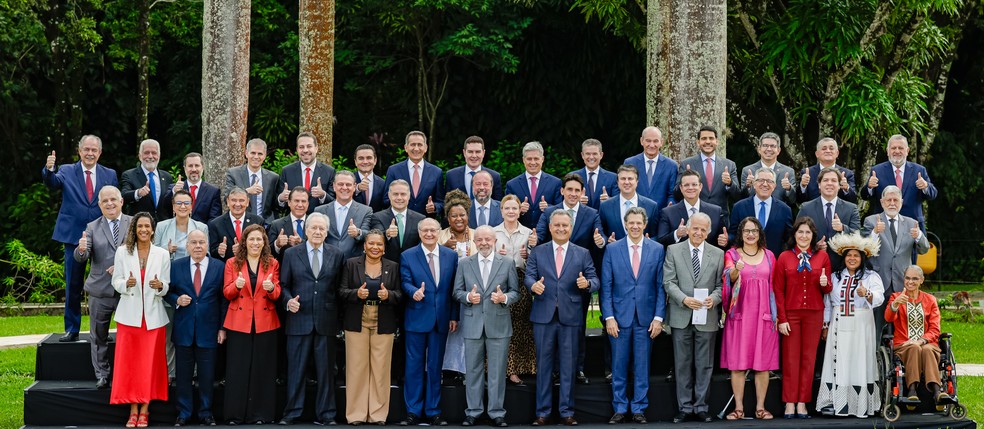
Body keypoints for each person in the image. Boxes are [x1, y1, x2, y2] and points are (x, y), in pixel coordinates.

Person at [525, 210, 599, 426]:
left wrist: (587, 285)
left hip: (571, 316)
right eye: (556, 225)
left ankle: (567, 412)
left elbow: (595, 280)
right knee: (544, 366)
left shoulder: (582, 253)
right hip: (543, 316)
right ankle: (542, 412)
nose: (560, 229)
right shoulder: (538, 252)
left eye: (565, 225)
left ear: (571, 227)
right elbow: (529, 276)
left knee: (568, 366)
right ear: (549, 227)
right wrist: (533, 285)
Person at [43, 135, 119, 342]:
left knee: (107, 284)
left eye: (94, 150)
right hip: (73, 236)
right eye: (86, 149)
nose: (90, 153)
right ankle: (72, 328)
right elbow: (52, 183)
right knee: (73, 283)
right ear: (79, 151)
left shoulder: (109, 174)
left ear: (100, 152)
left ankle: (104, 330)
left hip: (103, 235)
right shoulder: (66, 170)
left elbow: (114, 204)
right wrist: (49, 169)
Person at [534, 173, 605, 383]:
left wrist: (600, 243)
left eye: (577, 190)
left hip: (577, 281)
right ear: (562, 191)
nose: (573, 193)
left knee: (578, 327)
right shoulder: (549, 213)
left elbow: (597, 242)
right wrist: (531, 242)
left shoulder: (591, 214)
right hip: (552, 279)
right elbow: (539, 238)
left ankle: (577, 368)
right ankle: (555, 369)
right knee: (552, 327)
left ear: (582, 193)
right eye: (570, 189)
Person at [600, 207, 665, 424]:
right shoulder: (612, 249)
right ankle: (619, 408)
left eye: (639, 222)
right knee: (618, 366)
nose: (635, 226)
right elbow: (606, 287)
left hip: (646, 319)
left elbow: (660, 286)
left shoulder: (656, 249)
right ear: (625, 225)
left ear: (645, 225)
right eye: (631, 222)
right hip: (619, 318)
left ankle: (638, 408)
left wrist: (658, 318)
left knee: (642, 366)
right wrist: (608, 317)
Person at [279, 213, 346, 425]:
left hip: (326, 319)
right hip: (298, 319)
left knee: (326, 372)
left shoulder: (337, 254)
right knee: (296, 370)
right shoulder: (291, 254)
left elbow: (339, 288)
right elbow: (283, 285)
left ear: (327, 233)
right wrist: (288, 301)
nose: (317, 232)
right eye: (314, 228)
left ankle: (327, 414)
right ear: (305, 230)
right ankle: (292, 413)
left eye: (322, 229)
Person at [452, 226, 520, 427]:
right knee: (472, 371)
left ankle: (496, 413)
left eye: (487, 239)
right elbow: (456, 291)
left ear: (494, 240)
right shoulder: (465, 263)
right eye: (479, 239)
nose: (483, 243)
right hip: (473, 324)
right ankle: (473, 411)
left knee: (498, 372)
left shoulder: (507, 263)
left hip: (498, 324)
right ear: (474, 241)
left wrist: (504, 297)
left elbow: (516, 292)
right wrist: (467, 297)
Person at [109, 212, 170, 428]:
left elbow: (167, 285)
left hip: (153, 319)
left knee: (148, 366)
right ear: (134, 229)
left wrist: (160, 286)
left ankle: (145, 410)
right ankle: (132, 410)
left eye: (147, 226)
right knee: (130, 366)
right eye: (139, 226)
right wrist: (127, 283)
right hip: (129, 318)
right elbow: (115, 281)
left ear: (153, 229)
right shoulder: (122, 252)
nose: (143, 229)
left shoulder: (162, 254)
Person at [662, 212, 723, 423]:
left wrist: (714, 300)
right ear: (687, 229)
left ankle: (701, 407)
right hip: (681, 315)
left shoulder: (717, 254)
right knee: (682, 364)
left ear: (708, 232)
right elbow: (668, 282)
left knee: (705, 364)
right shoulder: (673, 250)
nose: (698, 232)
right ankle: (685, 407)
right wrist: (684, 300)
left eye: (703, 229)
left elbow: (721, 286)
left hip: (707, 316)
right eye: (694, 228)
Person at [816, 232, 884, 417]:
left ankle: (860, 405)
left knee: (859, 360)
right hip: (839, 325)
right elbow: (828, 302)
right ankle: (837, 403)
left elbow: (879, 297)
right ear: (843, 257)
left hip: (862, 325)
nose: (852, 258)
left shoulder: (871, 276)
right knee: (839, 360)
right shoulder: (835, 277)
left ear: (862, 258)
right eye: (849, 255)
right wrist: (825, 324)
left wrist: (867, 293)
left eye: (856, 255)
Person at [339, 229, 402, 425]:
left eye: (379, 244)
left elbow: (400, 295)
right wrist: (355, 294)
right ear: (364, 246)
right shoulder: (351, 264)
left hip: (383, 321)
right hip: (357, 319)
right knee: (356, 369)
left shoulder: (393, 266)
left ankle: (377, 415)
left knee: (381, 370)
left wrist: (388, 296)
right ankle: (356, 414)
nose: (375, 247)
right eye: (371, 243)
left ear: (384, 248)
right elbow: (341, 291)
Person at [400, 218, 459, 426]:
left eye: (433, 230)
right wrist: (413, 292)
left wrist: (453, 315)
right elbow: (405, 281)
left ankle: (433, 410)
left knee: (435, 366)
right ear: (419, 232)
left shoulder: (451, 256)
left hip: (441, 318)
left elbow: (453, 288)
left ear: (438, 232)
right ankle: (413, 411)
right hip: (416, 317)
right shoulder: (408, 255)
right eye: (425, 230)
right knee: (414, 366)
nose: (429, 234)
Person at [221, 224, 282, 425]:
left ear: (264, 242)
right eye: (251, 239)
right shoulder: (232, 263)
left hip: (265, 322)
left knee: (263, 370)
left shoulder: (272, 263)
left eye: (259, 239)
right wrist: (236, 286)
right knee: (237, 370)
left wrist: (272, 287)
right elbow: (227, 293)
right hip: (240, 322)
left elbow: (277, 294)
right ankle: (235, 415)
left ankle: (261, 415)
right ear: (244, 242)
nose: (255, 243)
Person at [772, 217, 832, 419]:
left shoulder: (822, 257)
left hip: (814, 314)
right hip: (791, 314)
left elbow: (828, 289)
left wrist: (824, 283)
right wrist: (782, 318)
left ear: (813, 236)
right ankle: (789, 401)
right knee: (790, 359)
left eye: (807, 232)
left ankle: (802, 403)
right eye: (800, 232)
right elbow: (778, 290)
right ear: (794, 235)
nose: (804, 236)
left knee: (808, 359)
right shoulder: (784, 258)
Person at [720, 217, 778, 420]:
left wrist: (775, 315)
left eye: (754, 231)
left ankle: (761, 408)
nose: (750, 234)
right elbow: (728, 279)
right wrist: (737, 269)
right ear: (741, 234)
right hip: (740, 317)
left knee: (762, 365)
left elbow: (775, 287)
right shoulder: (732, 254)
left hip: (764, 317)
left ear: (760, 233)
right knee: (737, 364)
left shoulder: (770, 256)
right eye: (746, 231)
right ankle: (739, 408)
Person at [73, 186, 130, 389]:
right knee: (98, 335)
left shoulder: (133, 223)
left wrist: (123, 266)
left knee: (129, 336)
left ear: (121, 201)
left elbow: (143, 252)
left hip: (128, 290)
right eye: (105, 201)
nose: (110, 203)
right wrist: (80, 250)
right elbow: (82, 256)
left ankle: (127, 374)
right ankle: (102, 375)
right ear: (99, 205)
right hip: (100, 289)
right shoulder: (91, 227)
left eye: (113, 199)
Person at [166, 229, 224, 426]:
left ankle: (206, 413)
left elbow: (224, 300)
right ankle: (183, 413)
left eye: (201, 242)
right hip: (184, 330)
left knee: (207, 376)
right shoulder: (177, 266)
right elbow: (168, 292)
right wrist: (176, 299)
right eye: (194, 242)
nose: (198, 246)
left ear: (207, 245)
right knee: (183, 377)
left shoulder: (219, 267)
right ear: (187, 246)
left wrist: (222, 328)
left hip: (209, 330)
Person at [863, 186, 930, 335]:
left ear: (901, 202)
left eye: (895, 200)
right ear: (882, 202)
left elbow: (924, 249)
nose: (892, 203)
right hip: (879, 283)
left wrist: (918, 235)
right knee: (877, 328)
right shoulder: (871, 221)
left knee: (903, 328)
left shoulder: (912, 223)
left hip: (904, 284)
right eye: (889, 200)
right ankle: (875, 356)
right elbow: (864, 250)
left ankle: (902, 356)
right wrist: (874, 233)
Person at [885, 265, 948, 404]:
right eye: (907, 278)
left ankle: (937, 391)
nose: (910, 282)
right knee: (913, 348)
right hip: (903, 345)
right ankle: (912, 390)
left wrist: (920, 341)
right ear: (903, 279)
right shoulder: (896, 297)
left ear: (921, 280)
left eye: (915, 278)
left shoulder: (930, 300)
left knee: (926, 349)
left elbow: (935, 329)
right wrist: (895, 305)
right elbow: (888, 318)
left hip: (926, 344)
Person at [492, 195, 538, 387]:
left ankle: (516, 369)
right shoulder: (493, 232)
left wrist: (528, 255)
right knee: (500, 326)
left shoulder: (529, 233)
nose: (511, 211)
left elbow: (535, 264)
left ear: (520, 211)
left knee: (519, 326)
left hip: (521, 281)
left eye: (514, 208)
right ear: (501, 210)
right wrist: (497, 257)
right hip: (499, 282)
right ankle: (499, 369)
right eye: (507, 208)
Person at [860, 134, 937, 230]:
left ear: (907, 151)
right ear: (888, 151)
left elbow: (933, 194)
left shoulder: (919, 170)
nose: (897, 151)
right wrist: (869, 187)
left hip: (913, 227)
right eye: (893, 148)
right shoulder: (877, 170)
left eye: (900, 148)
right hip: (884, 228)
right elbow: (865, 196)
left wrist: (925, 186)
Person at [438, 190, 475, 381]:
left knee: (466, 333)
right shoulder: (439, 237)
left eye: (462, 215)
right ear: (447, 218)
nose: (458, 219)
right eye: (454, 216)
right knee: (448, 331)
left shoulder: (477, 236)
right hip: (445, 293)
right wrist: (443, 248)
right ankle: (444, 368)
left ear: (468, 215)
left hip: (470, 295)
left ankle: (464, 369)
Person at [796, 167, 861, 271]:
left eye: (834, 180)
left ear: (839, 185)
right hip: (813, 267)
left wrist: (843, 228)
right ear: (819, 185)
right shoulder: (806, 208)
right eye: (825, 180)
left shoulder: (851, 208)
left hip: (843, 268)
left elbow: (858, 235)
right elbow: (796, 236)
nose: (829, 183)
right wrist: (814, 247)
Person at [677, 125, 740, 218]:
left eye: (711, 138)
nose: (707, 142)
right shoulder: (686, 164)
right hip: (694, 218)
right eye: (704, 138)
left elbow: (737, 195)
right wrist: (685, 181)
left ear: (717, 141)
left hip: (720, 219)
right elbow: (676, 194)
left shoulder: (729, 165)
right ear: (698, 142)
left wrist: (729, 183)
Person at [657, 169, 729, 249]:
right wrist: (676, 234)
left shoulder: (716, 211)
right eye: (686, 185)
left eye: (694, 184)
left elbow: (722, 242)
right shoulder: (668, 213)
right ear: (681, 188)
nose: (690, 188)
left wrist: (724, 242)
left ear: (700, 186)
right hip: (679, 259)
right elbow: (660, 242)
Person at [730, 168, 793, 258]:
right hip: (745, 261)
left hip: (774, 262)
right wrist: (726, 238)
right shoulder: (739, 207)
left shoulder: (785, 210)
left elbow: (789, 239)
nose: (765, 184)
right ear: (754, 184)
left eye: (769, 181)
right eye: (761, 180)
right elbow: (733, 234)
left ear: (774, 185)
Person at [382, 131, 445, 217]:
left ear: (426, 148)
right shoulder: (394, 170)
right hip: (400, 222)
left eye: (419, 145)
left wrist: (434, 207)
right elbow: (386, 199)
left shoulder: (436, 172)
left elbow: (441, 202)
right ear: (406, 147)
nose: (416, 148)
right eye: (412, 145)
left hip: (426, 225)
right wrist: (399, 202)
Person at [314, 170, 373, 259]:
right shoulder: (320, 211)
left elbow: (368, 234)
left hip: (353, 264)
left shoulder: (366, 210)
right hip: (326, 262)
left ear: (354, 187)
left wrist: (357, 232)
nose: (344, 188)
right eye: (340, 184)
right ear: (334, 186)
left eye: (348, 184)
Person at [505, 141, 562, 229]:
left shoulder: (555, 183)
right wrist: (519, 209)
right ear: (523, 160)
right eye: (529, 159)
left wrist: (548, 208)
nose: (532, 162)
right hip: (520, 235)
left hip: (547, 234)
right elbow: (505, 210)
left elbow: (561, 209)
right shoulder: (512, 185)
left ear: (542, 159)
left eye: (536, 159)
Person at [224, 138, 281, 223]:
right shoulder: (233, 173)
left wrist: (281, 199)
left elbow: (275, 206)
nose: (256, 157)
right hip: (241, 223)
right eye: (253, 153)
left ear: (265, 155)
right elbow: (227, 198)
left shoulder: (273, 177)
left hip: (266, 225)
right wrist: (246, 191)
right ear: (246, 153)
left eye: (260, 154)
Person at [277, 131, 337, 212]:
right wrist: (281, 199)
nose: (305, 150)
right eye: (301, 147)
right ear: (297, 149)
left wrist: (323, 195)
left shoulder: (329, 172)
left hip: (319, 221)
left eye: (309, 146)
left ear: (316, 148)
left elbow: (334, 202)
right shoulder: (287, 171)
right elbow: (278, 206)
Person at [599, 164, 659, 240]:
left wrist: (648, 242)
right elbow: (602, 233)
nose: (626, 182)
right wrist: (607, 241)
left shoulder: (651, 206)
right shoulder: (605, 206)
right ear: (617, 181)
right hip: (615, 251)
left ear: (637, 181)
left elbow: (656, 235)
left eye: (630, 179)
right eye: (623, 179)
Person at [624, 126, 677, 210]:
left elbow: (672, 194)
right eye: (648, 141)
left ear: (661, 142)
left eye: (656, 141)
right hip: (635, 216)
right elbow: (625, 189)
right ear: (642, 141)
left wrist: (670, 207)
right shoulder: (630, 163)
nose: (652, 145)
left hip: (661, 217)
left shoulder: (671, 165)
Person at [372, 180, 425, 263]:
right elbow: (375, 237)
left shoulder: (420, 219)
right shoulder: (377, 217)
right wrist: (387, 233)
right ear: (389, 195)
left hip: (411, 266)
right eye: (395, 194)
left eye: (403, 194)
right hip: (386, 266)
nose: (399, 198)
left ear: (409, 196)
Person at [739, 132, 797, 207]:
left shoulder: (788, 172)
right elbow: (742, 199)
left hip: (778, 214)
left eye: (773, 146)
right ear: (759, 149)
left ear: (778, 150)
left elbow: (793, 200)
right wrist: (747, 186)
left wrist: (789, 188)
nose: (769, 149)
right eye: (765, 145)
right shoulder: (748, 170)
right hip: (753, 215)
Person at [121, 139, 174, 221]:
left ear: (159, 156)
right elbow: (123, 196)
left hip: (163, 226)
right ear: (140, 156)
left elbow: (169, 203)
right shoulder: (129, 175)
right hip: (141, 226)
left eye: (154, 153)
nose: (150, 156)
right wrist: (138, 193)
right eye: (146, 153)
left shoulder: (167, 177)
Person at [208, 187, 264, 261]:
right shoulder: (215, 224)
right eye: (234, 200)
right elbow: (211, 251)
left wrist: (243, 249)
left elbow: (264, 248)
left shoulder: (258, 221)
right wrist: (220, 251)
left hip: (251, 267)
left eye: (241, 200)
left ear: (247, 202)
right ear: (228, 202)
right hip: (226, 268)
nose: (237, 204)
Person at [796, 138, 857, 204]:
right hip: (812, 213)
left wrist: (846, 188)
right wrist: (803, 186)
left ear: (837, 153)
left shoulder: (847, 174)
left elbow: (853, 200)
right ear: (817, 154)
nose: (828, 151)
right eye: (824, 149)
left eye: (831, 148)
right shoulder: (807, 173)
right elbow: (799, 200)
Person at [445, 135, 504, 201]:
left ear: (483, 153)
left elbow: (497, 205)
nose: (474, 155)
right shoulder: (451, 176)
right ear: (464, 153)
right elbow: (447, 203)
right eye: (470, 152)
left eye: (478, 152)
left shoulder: (494, 176)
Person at [154, 190, 209, 260]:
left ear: (191, 206)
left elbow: (207, 253)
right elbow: (154, 253)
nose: (183, 206)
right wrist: (167, 250)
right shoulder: (161, 226)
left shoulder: (201, 227)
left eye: (186, 203)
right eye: (179, 203)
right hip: (168, 268)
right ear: (173, 207)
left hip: (192, 268)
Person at [173, 152, 223, 223]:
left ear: (202, 167)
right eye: (190, 166)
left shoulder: (213, 191)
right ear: (184, 168)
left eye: (197, 165)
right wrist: (174, 192)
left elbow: (214, 219)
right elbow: (165, 208)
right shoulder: (175, 188)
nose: (194, 169)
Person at [569, 139, 617, 210]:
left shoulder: (613, 178)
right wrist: (576, 201)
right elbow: (564, 203)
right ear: (582, 155)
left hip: (603, 220)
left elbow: (619, 204)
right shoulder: (572, 177)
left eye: (594, 154)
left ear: (601, 155)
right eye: (588, 154)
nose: (591, 157)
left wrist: (609, 201)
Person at [268, 187, 309, 260]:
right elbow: (268, 253)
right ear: (289, 203)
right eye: (296, 201)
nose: (300, 205)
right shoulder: (276, 225)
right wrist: (277, 245)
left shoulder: (314, 224)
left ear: (308, 204)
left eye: (303, 201)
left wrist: (301, 242)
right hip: (285, 269)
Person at [353, 144, 387, 212]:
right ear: (355, 162)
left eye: (369, 158)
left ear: (375, 161)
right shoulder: (348, 181)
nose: (365, 162)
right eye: (361, 158)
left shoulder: (383, 184)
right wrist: (357, 189)